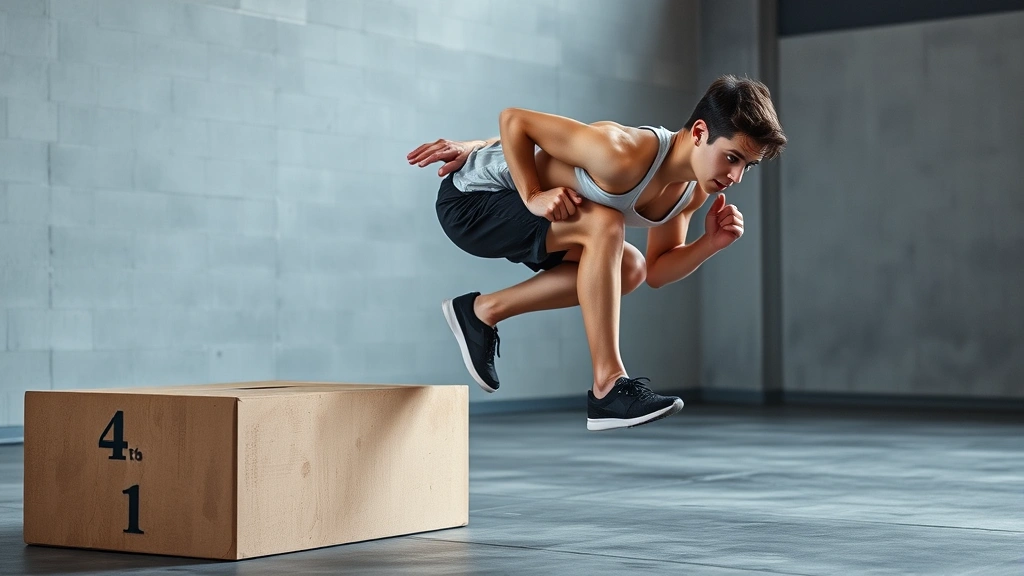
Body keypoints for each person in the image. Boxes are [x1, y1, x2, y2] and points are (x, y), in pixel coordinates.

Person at [406, 75, 786, 431]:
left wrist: (709, 244)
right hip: (470, 204)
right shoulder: (622, 152)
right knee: (606, 224)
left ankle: (480, 312)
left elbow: (656, 271)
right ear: (700, 132)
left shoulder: (691, 192)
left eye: (747, 166)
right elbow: (515, 120)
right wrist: (532, 194)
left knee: (631, 268)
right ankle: (608, 385)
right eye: (732, 158)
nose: (736, 177)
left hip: (526, 219)